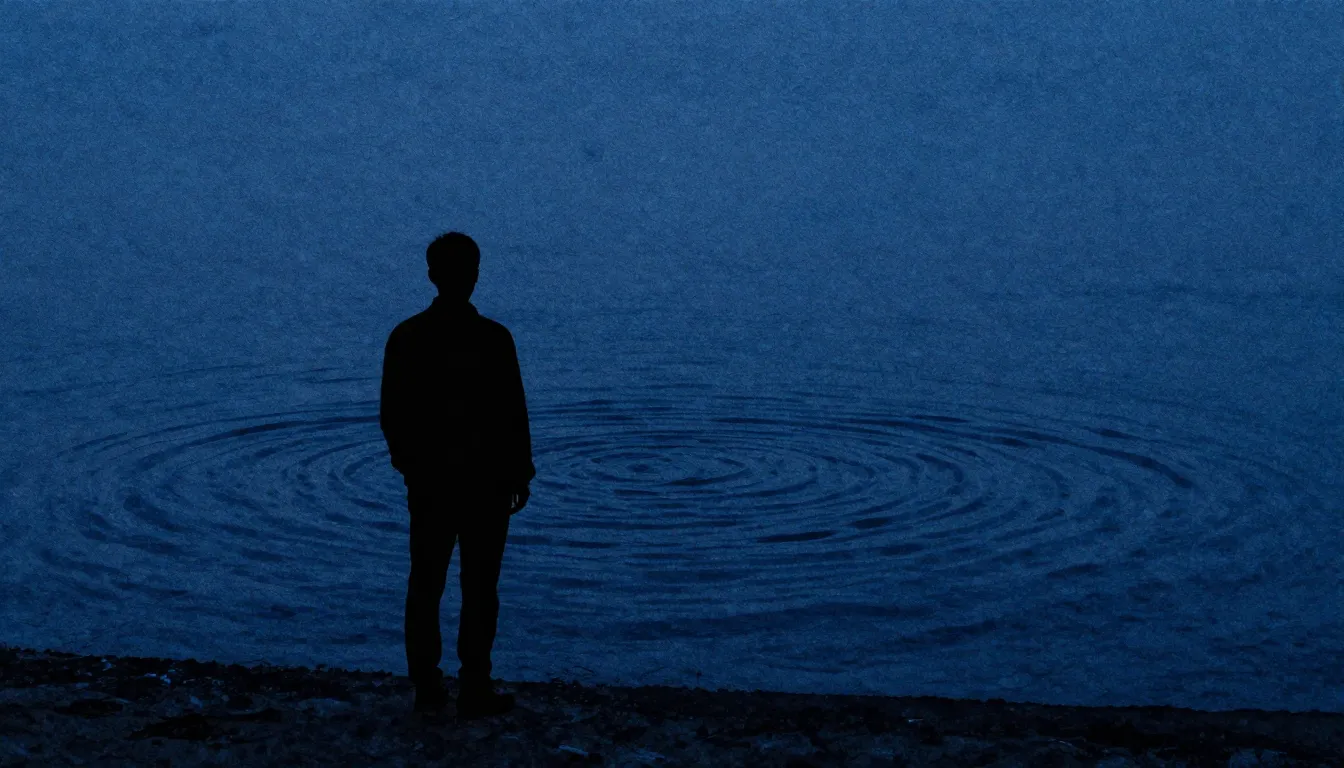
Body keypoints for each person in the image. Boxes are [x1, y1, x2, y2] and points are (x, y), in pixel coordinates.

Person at [379, 232, 536, 718]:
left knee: (427, 584)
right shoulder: (493, 339)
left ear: (432, 275)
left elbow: (393, 414)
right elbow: (512, 413)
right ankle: (474, 685)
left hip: (432, 483)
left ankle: (428, 685)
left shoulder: (408, 336)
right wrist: (520, 471)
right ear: (475, 275)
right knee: (479, 587)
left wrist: (410, 465)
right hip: (485, 482)